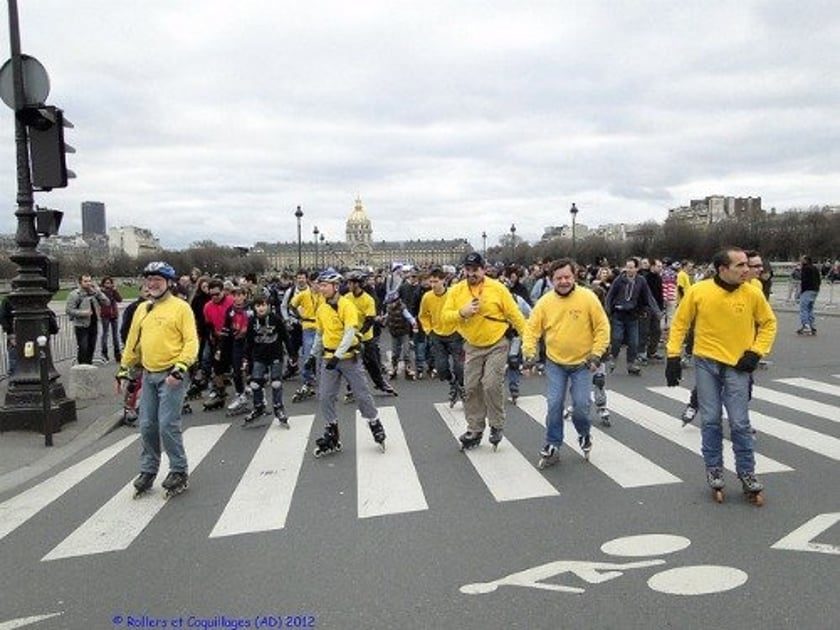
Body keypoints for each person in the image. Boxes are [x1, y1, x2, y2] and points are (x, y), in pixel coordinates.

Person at [665, 247, 776, 503]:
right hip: (707, 363)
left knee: (739, 422)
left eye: (747, 265)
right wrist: (673, 356)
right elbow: (680, 323)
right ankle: (714, 468)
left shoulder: (752, 292)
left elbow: (769, 323)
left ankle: (747, 472)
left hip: (738, 365)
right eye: (740, 266)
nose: (747, 270)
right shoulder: (699, 291)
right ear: (722, 269)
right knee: (711, 420)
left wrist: (756, 351)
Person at [117, 262, 198, 498]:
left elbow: (191, 341)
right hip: (149, 373)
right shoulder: (143, 309)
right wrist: (124, 369)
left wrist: (181, 367)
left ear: (169, 283)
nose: (151, 284)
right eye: (149, 280)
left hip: (172, 374)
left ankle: (179, 470)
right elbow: (133, 342)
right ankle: (148, 470)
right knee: (147, 425)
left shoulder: (181, 308)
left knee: (167, 424)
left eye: (157, 280)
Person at [523, 259, 610, 467]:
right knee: (554, 404)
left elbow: (602, 328)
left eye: (567, 277)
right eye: (558, 278)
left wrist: (597, 354)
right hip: (555, 363)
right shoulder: (545, 302)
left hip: (583, 363)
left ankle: (584, 434)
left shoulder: (588, 298)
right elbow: (532, 329)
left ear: (575, 276)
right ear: (551, 280)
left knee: (581, 406)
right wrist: (528, 355)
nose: (563, 281)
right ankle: (553, 443)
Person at [441, 252, 527, 451]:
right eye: (468, 270)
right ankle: (475, 428)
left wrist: (528, 342)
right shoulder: (456, 291)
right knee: (470, 388)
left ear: (483, 269)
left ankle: (496, 424)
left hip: (497, 343)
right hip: (472, 345)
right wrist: (461, 313)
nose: (471, 274)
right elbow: (445, 317)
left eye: (475, 270)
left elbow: (515, 315)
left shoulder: (497, 288)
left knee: (490, 384)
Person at [307, 269, 386, 457]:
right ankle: (332, 431)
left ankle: (374, 422)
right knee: (325, 396)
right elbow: (320, 334)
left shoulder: (347, 306)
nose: (321, 288)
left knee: (361, 394)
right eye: (320, 285)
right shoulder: (321, 308)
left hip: (348, 357)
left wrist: (338, 355)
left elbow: (350, 332)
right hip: (329, 357)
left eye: (325, 285)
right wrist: (312, 355)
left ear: (335, 286)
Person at [603, 258, 660, 375]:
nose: (629, 270)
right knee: (617, 338)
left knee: (634, 342)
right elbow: (610, 295)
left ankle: (631, 364)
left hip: (633, 315)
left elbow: (648, 296)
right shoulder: (619, 280)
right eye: (627, 267)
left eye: (631, 267)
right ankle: (613, 356)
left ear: (636, 268)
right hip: (619, 314)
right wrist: (607, 310)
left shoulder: (641, 281)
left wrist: (656, 311)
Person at [420, 266, 465, 406]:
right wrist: (429, 330)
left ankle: (461, 387)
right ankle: (452, 383)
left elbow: (461, 311)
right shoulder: (427, 297)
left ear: (443, 281)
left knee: (460, 367)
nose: (433, 285)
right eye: (431, 282)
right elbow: (423, 316)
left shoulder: (452, 294)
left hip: (454, 334)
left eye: (435, 281)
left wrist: (461, 328)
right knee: (441, 368)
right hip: (437, 335)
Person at [242, 295, 290, 427]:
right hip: (259, 356)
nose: (261, 308)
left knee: (276, 383)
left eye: (263, 305)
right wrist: (246, 358)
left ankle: (278, 407)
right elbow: (249, 341)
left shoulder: (276, 319)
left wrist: (292, 355)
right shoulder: (252, 321)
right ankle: (258, 407)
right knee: (255, 384)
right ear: (254, 308)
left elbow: (285, 337)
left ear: (268, 306)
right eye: (258, 306)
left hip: (275, 355)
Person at [66, 274, 110, 365]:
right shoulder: (75, 294)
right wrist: (83, 313)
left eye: (89, 281)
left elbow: (107, 302)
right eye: (85, 281)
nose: (88, 283)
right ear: (80, 283)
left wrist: (98, 292)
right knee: (83, 347)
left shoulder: (94, 293)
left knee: (91, 347)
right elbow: (69, 310)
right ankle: (82, 367)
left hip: (93, 324)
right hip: (81, 325)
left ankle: (89, 365)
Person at [99, 276, 123, 362]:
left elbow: (120, 299)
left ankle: (117, 353)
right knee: (105, 334)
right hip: (105, 315)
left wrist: (115, 291)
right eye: (106, 283)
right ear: (103, 284)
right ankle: (104, 353)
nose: (108, 285)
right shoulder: (101, 292)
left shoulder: (113, 291)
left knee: (115, 335)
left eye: (109, 283)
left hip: (114, 315)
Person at [797, 255, 821, 335]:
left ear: (805, 261)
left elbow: (804, 280)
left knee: (804, 308)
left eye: (802, 260)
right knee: (810, 308)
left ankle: (806, 326)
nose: (800, 261)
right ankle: (811, 325)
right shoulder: (815, 268)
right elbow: (819, 279)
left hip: (807, 290)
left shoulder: (805, 268)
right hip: (815, 290)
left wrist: (801, 291)